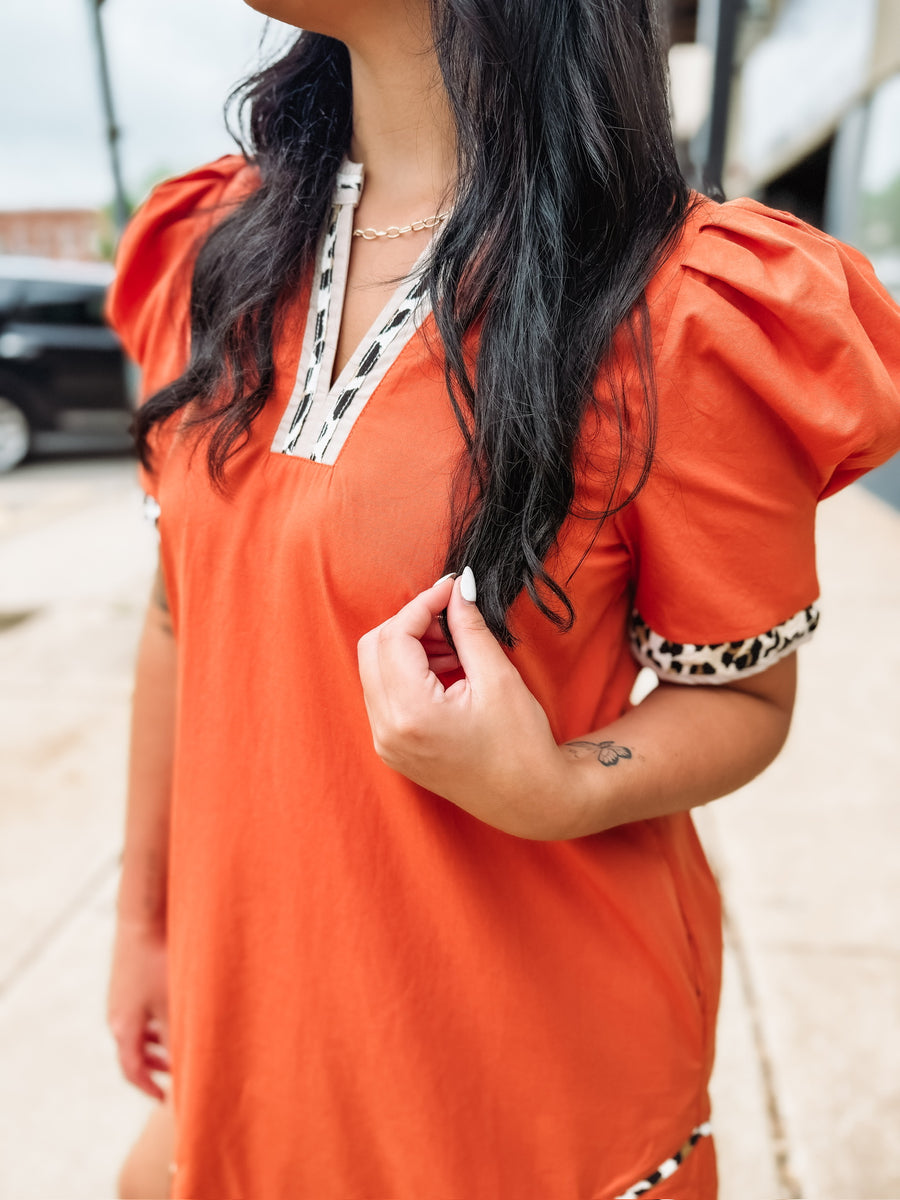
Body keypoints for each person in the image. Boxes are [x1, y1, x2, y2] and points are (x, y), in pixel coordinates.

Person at [105, 0, 900, 1197]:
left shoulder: (681, 302)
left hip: (524, 1077)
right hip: (261, 1022)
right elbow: (183, 616)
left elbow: (741, 695)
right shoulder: (210, 248)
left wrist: (562, 786)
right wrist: (146, 924)